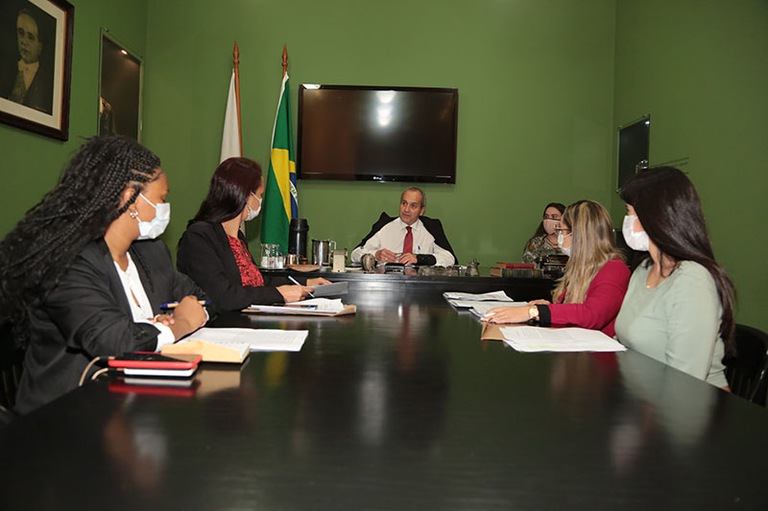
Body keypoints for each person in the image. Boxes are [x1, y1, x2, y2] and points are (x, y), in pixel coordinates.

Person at [0, 136, 208, 414]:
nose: (164, 209)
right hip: (65, 418)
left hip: (135, 408)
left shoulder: (150, 253)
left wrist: (161, 323)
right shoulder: (68, 261)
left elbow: (201, 298)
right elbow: (113, 341)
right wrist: (180, 323)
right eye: (161, 199)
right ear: (129, 198)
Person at [614, 166, 736, 388]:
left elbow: (684, 382)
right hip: (642, 393)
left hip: (692, 402)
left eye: (630, 213)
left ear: (656, 217)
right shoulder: (643, 270)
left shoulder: (692, 280)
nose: (627, 221)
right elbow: (623, 342)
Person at [176, 157, 329, 311]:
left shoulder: (238, 238)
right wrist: (278, 294)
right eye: (260, 195)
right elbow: (223, 296)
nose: (261, 201)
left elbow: (258, 282)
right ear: (246, 196)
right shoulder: (199, 237)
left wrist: (304, 283)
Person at [484, 200, 630, 337]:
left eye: (563, 231)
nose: (560, 237)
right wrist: (549, 307)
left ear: (580, 236)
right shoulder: (579, 268)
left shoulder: (615, 269)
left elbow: (592, 315)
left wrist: (535, 312)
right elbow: (573, 309)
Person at [350, 187, 457, 266]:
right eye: (404, 203)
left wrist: (419, 259)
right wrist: (376, 254)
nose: (406, 209)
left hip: (421, 284)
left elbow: (449, 258)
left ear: (422, 210)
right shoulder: (384, 225)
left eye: (413, 206)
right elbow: (355, 254)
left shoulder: (431, 228)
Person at [4, 6, 53, 114]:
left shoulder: (47, 82)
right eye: (21, 33)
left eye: (30, 37)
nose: (24, 41)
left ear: (40, 47)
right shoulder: (6, 70)